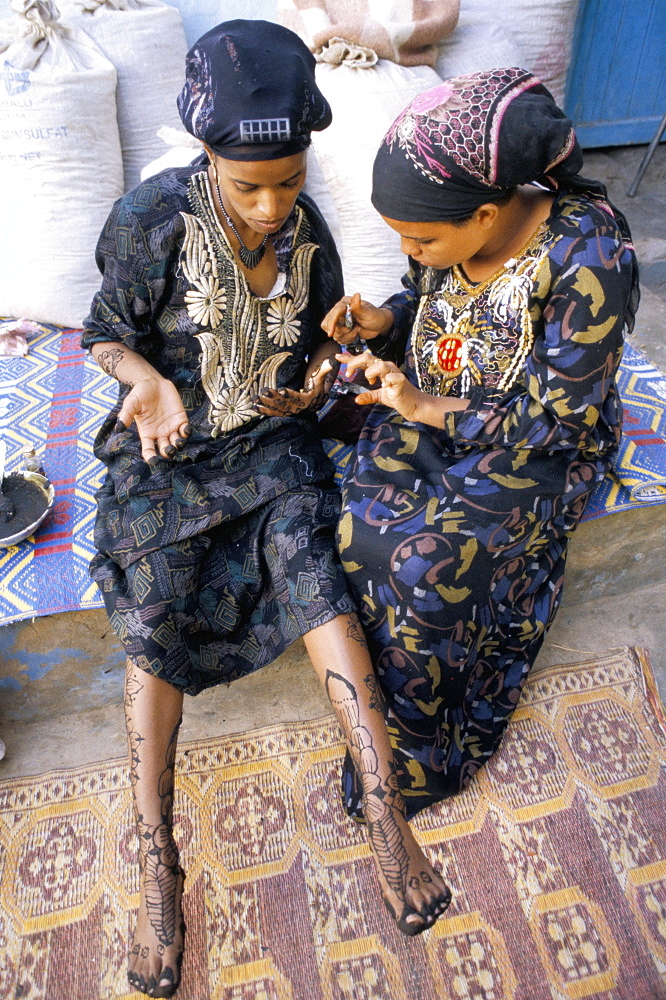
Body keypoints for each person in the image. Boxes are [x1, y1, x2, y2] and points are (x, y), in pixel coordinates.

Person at [81, 20, 451, 1000]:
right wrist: (145, 383)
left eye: (288, 181)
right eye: (250, 186)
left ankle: (384, 806)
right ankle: (155, 855)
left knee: (311, 563)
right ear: (205, 156)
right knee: (154, 606)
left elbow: (304, 375)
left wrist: (323, 369)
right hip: (167, 452)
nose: (271, 204)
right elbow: (105, 336)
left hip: (267, 450)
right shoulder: (149, 220)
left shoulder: (307, 230)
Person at [323, 68, 639, 822]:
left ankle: (435, 749)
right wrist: (385, 324)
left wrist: (428, 406)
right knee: (360, 533)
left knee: (431, 568)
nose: (410, 248)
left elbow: (561, 419)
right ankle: (384, 722)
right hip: (437, 403)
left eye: (420, 238)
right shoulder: (454, 229)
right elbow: (438, 306)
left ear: (490, 213)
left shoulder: (591, 256)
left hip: (539, 444)